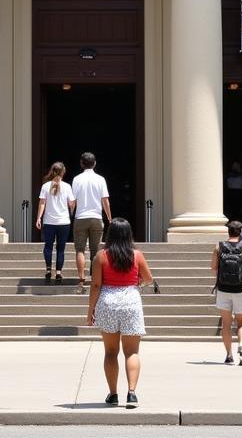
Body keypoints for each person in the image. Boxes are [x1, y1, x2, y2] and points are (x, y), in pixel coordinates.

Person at [87, 217, 154, 408]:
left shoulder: (101, 256)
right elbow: (149, 279)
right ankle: (132, 393)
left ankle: (113, 393)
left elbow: (96, 285)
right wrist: (136, 283)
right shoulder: (137, 255)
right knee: (132, 352)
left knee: (110, 352)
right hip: (131, 301)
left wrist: (90, 311)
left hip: (107, 301)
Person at [212, 220, 242, 365]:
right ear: (241, 232)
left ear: (228, 232)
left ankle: (229, 355)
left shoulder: (219, 247)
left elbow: (213, 268)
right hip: (240, 288)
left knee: (226, 323)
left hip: (223, 289)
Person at [72, 152, 111, 287]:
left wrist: (71, 213)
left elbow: (73, 201)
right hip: (96, 217)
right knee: (96, 250)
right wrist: (109, 218)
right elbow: (105, 200)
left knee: (80, 250)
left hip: (80, 218)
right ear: (94, 163)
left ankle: (81, 279)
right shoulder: (100, 179)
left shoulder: (77, 179)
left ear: (81, 164)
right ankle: (95, 278)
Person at [36, 161, 76, 283]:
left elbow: (42, 203)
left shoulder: (45, 186)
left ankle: (48, 269)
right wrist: (72, 209)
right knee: (60, 248)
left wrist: (38, 218)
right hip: (63, 222)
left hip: (49, 221)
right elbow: (71, 203)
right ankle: (58, 272)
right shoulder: (67, 186)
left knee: (48, 246)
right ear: (63, 172)